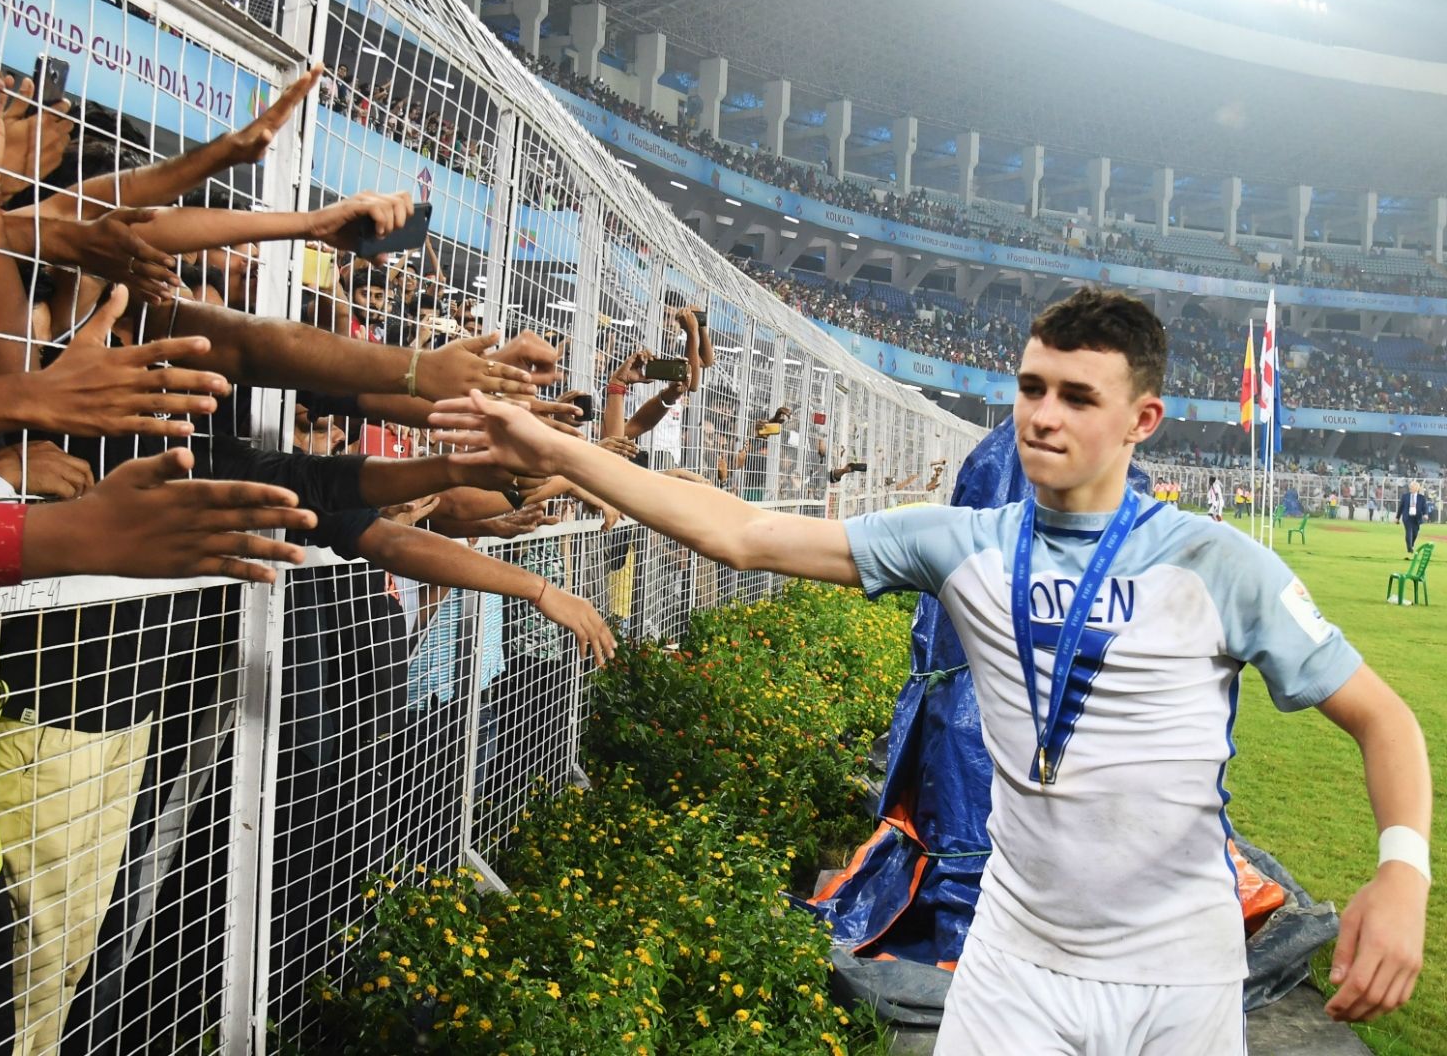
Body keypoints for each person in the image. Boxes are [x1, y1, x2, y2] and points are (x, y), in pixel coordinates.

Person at [431, 287, 1430, 1049]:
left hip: (1179, 971)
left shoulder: (1221, 565)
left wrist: (1402, 872)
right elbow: (743, 533)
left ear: (1142, 421)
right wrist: (552, 454)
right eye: (1032, 387)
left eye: (1078, 397)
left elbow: (1384, 720)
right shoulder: (960, 543)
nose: (1043, 415)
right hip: (1010, 960)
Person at [1399, 480, 1431, 556]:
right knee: (1408, 532)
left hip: (1417, 518)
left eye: (1413, 487)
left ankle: (1412, 544)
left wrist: (1425, 514)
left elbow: (1424, 507)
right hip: (1407, 517)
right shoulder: (1405, 496)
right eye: (1411, 486)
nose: (1411, 488)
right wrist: (1397, 517)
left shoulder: (1421, 498)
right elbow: (1401, 507)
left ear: (1417, 488)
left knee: (1415, 533)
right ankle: (1409, 548)